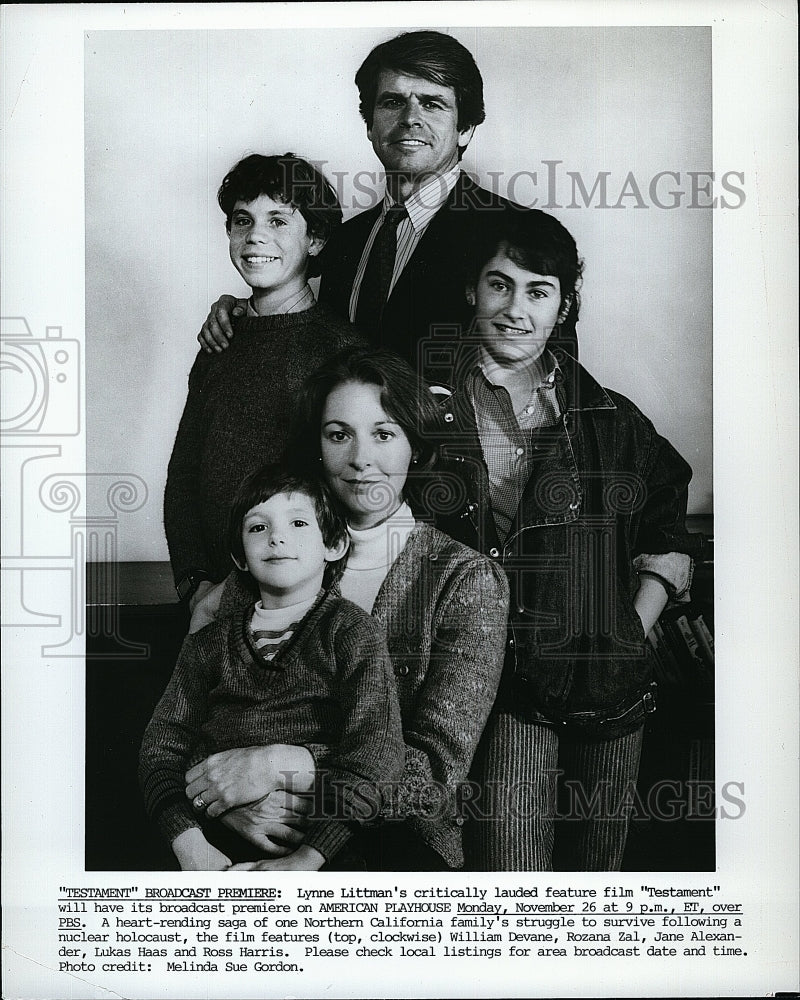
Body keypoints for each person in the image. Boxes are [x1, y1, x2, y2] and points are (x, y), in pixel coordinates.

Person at [433, 208, 704, 871]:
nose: (515, 308)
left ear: (565, 304)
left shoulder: (608, 416)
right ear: (472, 290)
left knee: (595, 895)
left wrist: (631, 626)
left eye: (538, 290)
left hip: (610, 688)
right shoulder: (427, 409)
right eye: (499, 284)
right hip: (498, 690)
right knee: (513, 892)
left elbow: (668, 516)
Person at [188, 348, 510, 871]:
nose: (362, 459)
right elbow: (191, 715)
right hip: (251, 827)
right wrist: (228, 805)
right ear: (317, 447)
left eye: (384, 434)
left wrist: (278, 764)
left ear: (413, 444)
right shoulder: (275, 553)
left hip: (393, 840)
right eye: (339, 435)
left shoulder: (464, 580)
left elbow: (431, 776)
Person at [196, 30, 514, 383]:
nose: (410, 118)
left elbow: (550, 397)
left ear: (466, 128)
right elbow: (296, 311)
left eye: (432, 103)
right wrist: (239, 313)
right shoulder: (345, 240)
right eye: (392, 102)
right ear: (370, 125)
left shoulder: (512, 233)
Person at [140, 464, 404, 871]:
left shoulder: (352, 632)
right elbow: (161, 748)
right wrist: (191, 846)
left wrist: (305, 861)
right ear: (240, 558)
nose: (277, 537)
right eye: (258, 528)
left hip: (325, 849)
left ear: (333, 544)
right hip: (209, 842)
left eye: (298, 523)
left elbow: (375, 755)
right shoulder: (208, 644)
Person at [164, 153, 362, 609]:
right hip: (207, 599)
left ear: (315, 238)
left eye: (278, 221)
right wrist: (193, 586)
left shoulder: (340, 351)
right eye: (242, 220)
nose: (255, 236)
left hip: (293, 601)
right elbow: (184, 474)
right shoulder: (222, 337)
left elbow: (341, 494)